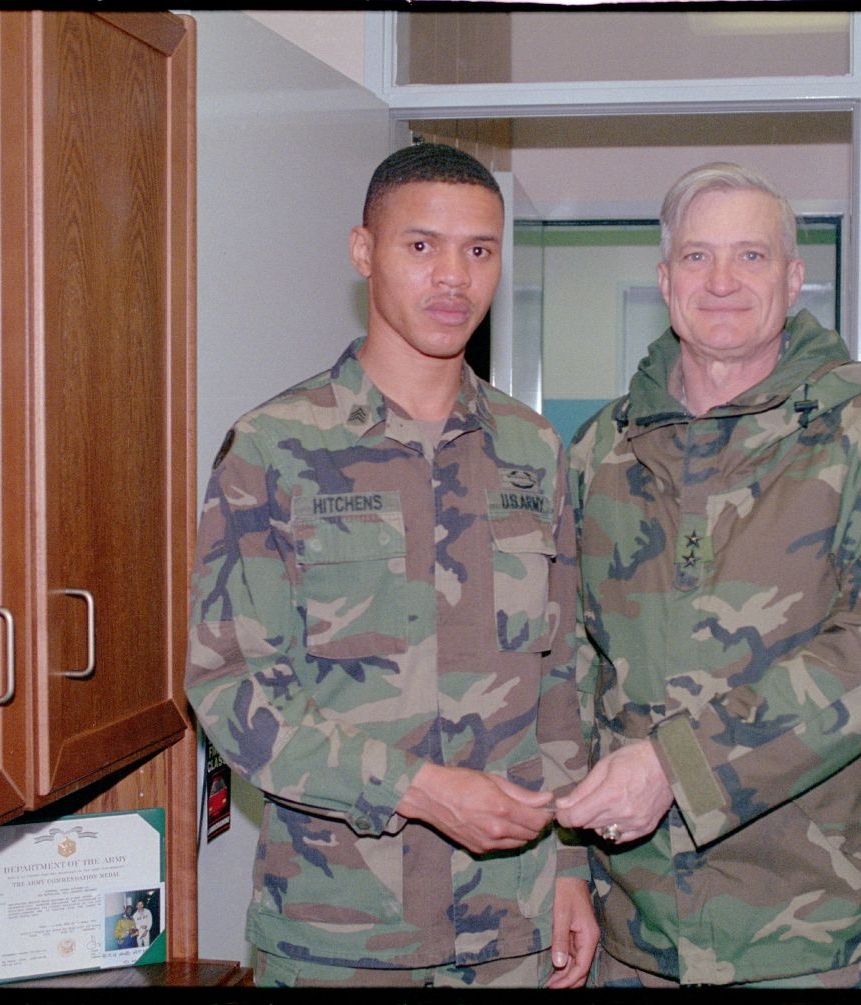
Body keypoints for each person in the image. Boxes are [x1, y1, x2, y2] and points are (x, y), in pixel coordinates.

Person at [184, 143, 595, 989]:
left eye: (479, 249)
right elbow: (233, 689)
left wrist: (571, 866)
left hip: (510, 930)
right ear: (363, 251)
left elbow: (564, 675)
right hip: (341, 931)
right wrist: (418, 789)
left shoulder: (534, 450)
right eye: (421, 245)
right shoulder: (274, 448)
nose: (454, 277)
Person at [556, 162, 861, 988]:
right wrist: (564, 864)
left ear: (794, 278)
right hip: (637, 934)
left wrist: (675, 766)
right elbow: (565, 668)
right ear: (665, 281)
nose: (723, 281)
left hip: (818, 941)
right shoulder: (600, 451)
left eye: (752, 256)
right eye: (697, 257)